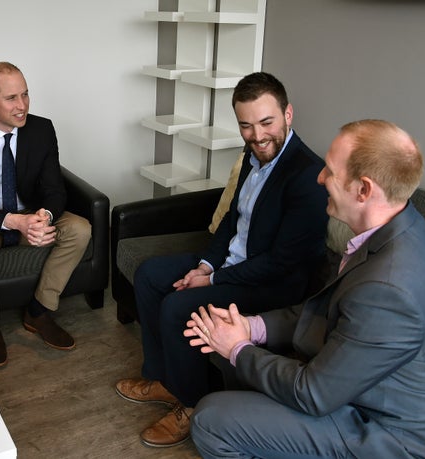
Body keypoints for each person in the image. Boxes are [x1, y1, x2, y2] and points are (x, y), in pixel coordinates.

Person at [186, 119, 425, 459]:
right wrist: (251, 327)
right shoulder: (400, 228)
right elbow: (328, 307)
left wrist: (238, 348)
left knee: (211, 419)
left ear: (363, 190)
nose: (319, 177)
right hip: (368, 394)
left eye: (329, 171)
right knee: (226, 355)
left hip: (392, 437)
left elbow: (314, 393)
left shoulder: (390, 287)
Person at [115, 72, 329, 448]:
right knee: (150, 274)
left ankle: (194, 405)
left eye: (266, 122)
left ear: (288, 114)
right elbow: (232, 219)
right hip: (232, 264)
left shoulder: (307, 175)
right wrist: (206, 267)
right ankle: (164, 378)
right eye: (246, 126)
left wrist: (212, 282)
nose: (257, 135)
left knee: (179, 306)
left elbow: (283, 263)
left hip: (273, 285)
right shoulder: (253, 155)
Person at [0, 61, 91, 367]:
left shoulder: (42, 129)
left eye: (25, 95)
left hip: (29, 214)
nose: (21, 106)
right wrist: (14, 221)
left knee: (80, 228)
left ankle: (39, 311)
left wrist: (44, 218)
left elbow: (54, 189)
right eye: (11, 98)